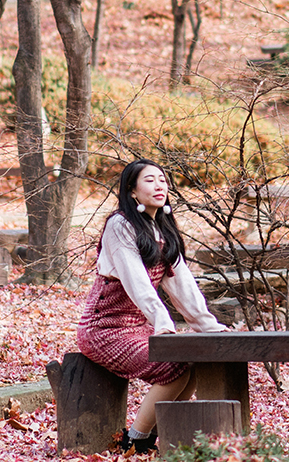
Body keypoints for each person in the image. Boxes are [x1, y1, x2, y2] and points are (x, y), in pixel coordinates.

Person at [76, 159, 228, 453]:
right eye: (150, 180)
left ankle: (159, 435)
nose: (160, 185)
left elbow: (182, 283)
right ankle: (135, 440)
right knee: (172, 368)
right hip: (104, 330)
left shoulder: (162, 228)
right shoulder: (120, 225)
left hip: (138, 327)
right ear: (132, 191)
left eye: (162, 180)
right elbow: (137, 283)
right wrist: (163, 323)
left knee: (193, 361)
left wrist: (207, 325)